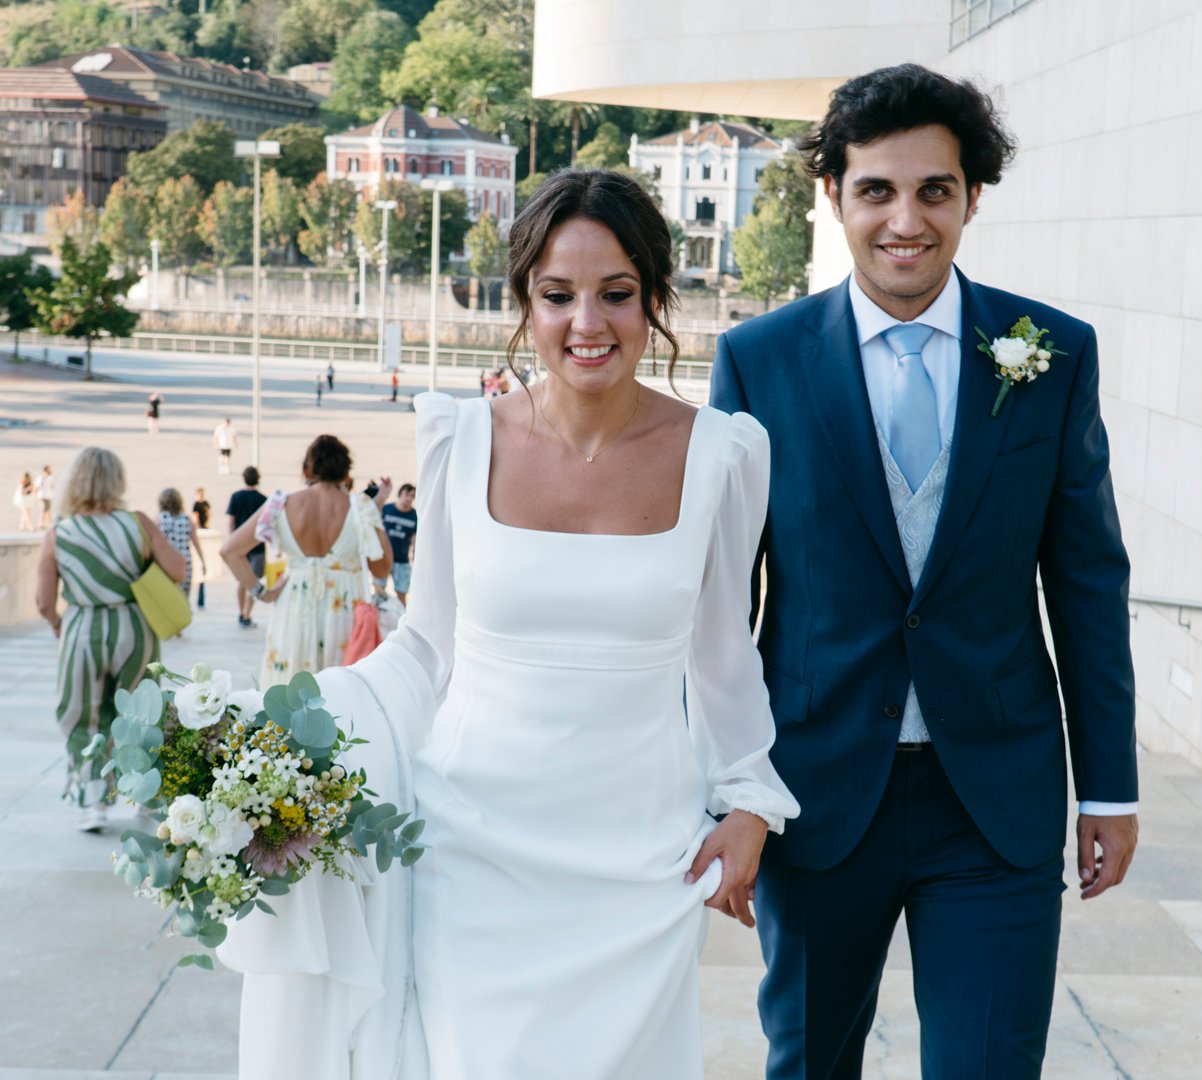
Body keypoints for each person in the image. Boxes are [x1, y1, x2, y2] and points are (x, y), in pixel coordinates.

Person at [220, 168, 798, 1079]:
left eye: (616, 294)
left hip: (639, 868)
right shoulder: (460, 436)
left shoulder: (724, 454)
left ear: (654, 297)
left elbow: (724, 656)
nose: (587, 324)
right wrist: (290, 736)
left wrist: (752, 804)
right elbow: (427, 645)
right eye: (557, 296)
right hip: (472, 856)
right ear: (524, 301)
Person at [710, 64, 1140, 1080]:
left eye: (934, 190)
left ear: (971, 197)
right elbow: (720, 608)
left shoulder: (1051, 353)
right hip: (815, 797)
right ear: (834, 196)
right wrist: (722, 791)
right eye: (877, 190)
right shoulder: (758, 360)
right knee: (808, 1064)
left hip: (993, 799)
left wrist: (1109, 788)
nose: (907, 219)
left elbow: (1086, 582)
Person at [34, 447, 185, 831]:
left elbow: (43, 601)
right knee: (142, 713)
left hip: (83, 629)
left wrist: (56, 622)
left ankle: (93, 802)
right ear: (117, 480)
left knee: (83, 714)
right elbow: (176, 570)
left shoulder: (59, 533)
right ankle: (147, 799)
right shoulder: (136, 524)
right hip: (135, 625)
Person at [220, 435, 394, 688]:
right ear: (346, 473)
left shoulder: (281, 504)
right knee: (342, 693)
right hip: (343, 611)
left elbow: (230, 550)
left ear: (306, 469)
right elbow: (382, 567)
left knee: (291, 692)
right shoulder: (361, 507)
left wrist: (262, 593)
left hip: (294, 607)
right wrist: (374, 510)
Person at [225, 466, 267, 629]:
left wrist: (232, 541)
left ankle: (240, 613)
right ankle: (247, 613)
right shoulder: (263, 499)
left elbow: (231, 522)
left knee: (242, 581)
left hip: (239, 548)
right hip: (257, 547)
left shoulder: (236, 497)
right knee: (254, 582)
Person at [157, 488, 205, 604]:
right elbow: (196, 543)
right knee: (183, 598)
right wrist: (203, 562)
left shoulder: (159, 519)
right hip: (185, 562)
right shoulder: (187, 519)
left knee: (166, 597)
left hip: (166, 562)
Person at [375, 482, 418, 604]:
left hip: (401, 560)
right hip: (383, 557)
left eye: (412, 496)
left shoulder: (414, 516)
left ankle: (400, 619)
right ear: (400, 495)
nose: (409, 498)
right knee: (379, 592)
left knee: (402, 594)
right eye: (407, 494)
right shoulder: (387, 509)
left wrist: (415, 555)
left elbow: (415, 538)